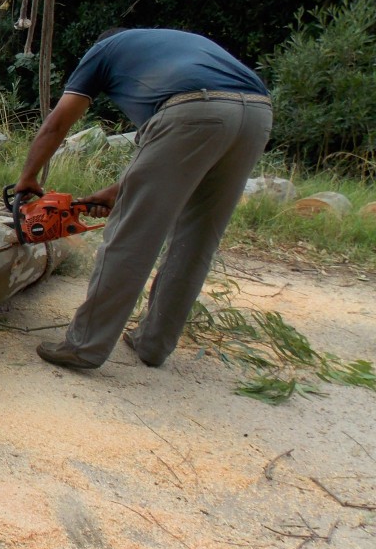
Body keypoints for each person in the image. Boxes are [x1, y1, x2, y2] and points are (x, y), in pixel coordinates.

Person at [14, 28, 273, 370]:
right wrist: (119, 192)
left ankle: (84, 346)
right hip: (257, 113)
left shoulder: (103, 51)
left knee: (131, 236)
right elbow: (170, 160)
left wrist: (27, 178)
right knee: (196, 240)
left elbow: (57, 123)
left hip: (194, 108)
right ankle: (153, 344)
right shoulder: (172, 47)